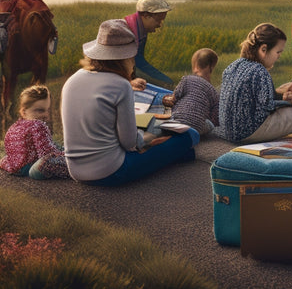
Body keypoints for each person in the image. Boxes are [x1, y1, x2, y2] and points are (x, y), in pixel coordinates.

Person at [61, 19, 198, 186]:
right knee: (187, 137)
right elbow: (129, 143)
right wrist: (152, 138)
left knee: (174, 147)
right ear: (124, 58)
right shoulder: (121, 85)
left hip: (75, 171)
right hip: (111, 171)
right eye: (132, 58)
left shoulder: (73, 80)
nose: (133, 63)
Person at [218, 23, 292, 143]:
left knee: (285, 94)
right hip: (249, 132)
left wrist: (282, 96)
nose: (279, 57)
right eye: (278, 52)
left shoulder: (233, 66)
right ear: (263, 49)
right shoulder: (259, 71)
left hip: (228, 131)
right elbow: (268, 108)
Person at [0, 85, 69, 180]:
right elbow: (46, 153)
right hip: (31, 166)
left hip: (16, 168)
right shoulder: (37, 125)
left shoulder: (13, 127)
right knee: (57, 158)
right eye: (40, 110)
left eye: (47, 110)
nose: (46, 115)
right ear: (24, 112)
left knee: (56, 146)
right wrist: (63, 154)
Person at [162, 48, 220, 136]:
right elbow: (215, 117)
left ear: (194, 66)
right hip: (197, 128)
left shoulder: (186, 80)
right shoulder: (213, 91)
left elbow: (175, 98)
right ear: (211, 67)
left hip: (178, 121)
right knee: (210, 124)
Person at [125, 0, 173, 88]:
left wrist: (165, 80)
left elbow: (140, 61)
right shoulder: (128, 33)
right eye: (158, 20)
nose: (160, 25)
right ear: (146, 16)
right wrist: (164, 81)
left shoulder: (140, 30)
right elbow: (135, 64)